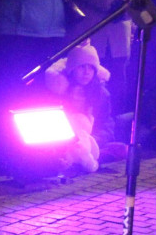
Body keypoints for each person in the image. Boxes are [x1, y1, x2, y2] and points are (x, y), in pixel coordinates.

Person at [44, 44, 125, 172]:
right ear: (72, 69)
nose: (87, 72)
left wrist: (93, 140)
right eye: (82, 67)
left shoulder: (101, 93)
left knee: (118, 150)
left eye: (91, 68)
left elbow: (106, 124)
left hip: (91, 140)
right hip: (65, 140)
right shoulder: (60, 92)